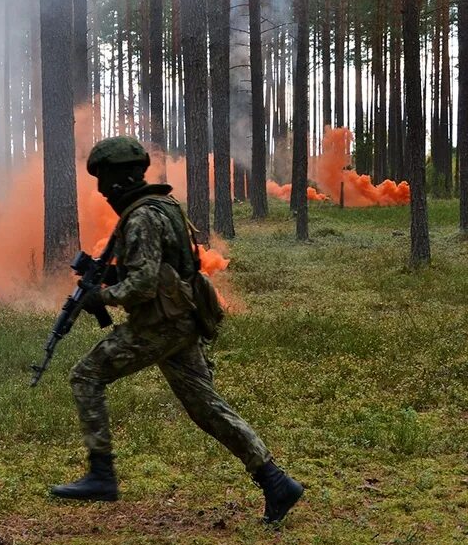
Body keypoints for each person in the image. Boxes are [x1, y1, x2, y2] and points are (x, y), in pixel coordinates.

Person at [49, 136, 303, 524]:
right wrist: (112, 274)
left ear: (116, 179)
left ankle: (101, 474)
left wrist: (100, 297)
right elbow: (159, 265)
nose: (102, 192)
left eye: (103, 182)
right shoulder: (162, 205)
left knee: (85, 375)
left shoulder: (141, 217)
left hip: (160, 326)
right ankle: (276, 482)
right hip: (181, 322)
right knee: (207, 408)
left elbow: (143, 285)